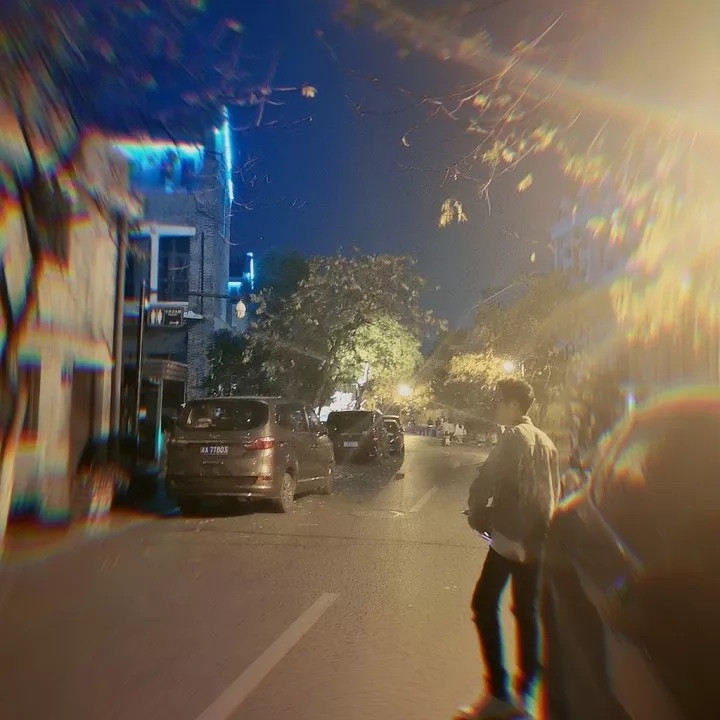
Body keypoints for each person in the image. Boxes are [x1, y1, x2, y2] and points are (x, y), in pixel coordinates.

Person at [457, 378, 560, 720]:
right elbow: (554, 492)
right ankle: (526, 693)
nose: (496, 406)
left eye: (500, 400)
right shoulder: (546, 441)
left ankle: (498, 691)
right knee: (526, 611)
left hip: (510, 538)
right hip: (538, 540)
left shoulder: (514, 436)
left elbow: (488, 478)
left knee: (483, 603)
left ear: (515, 405)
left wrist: (477, 513)